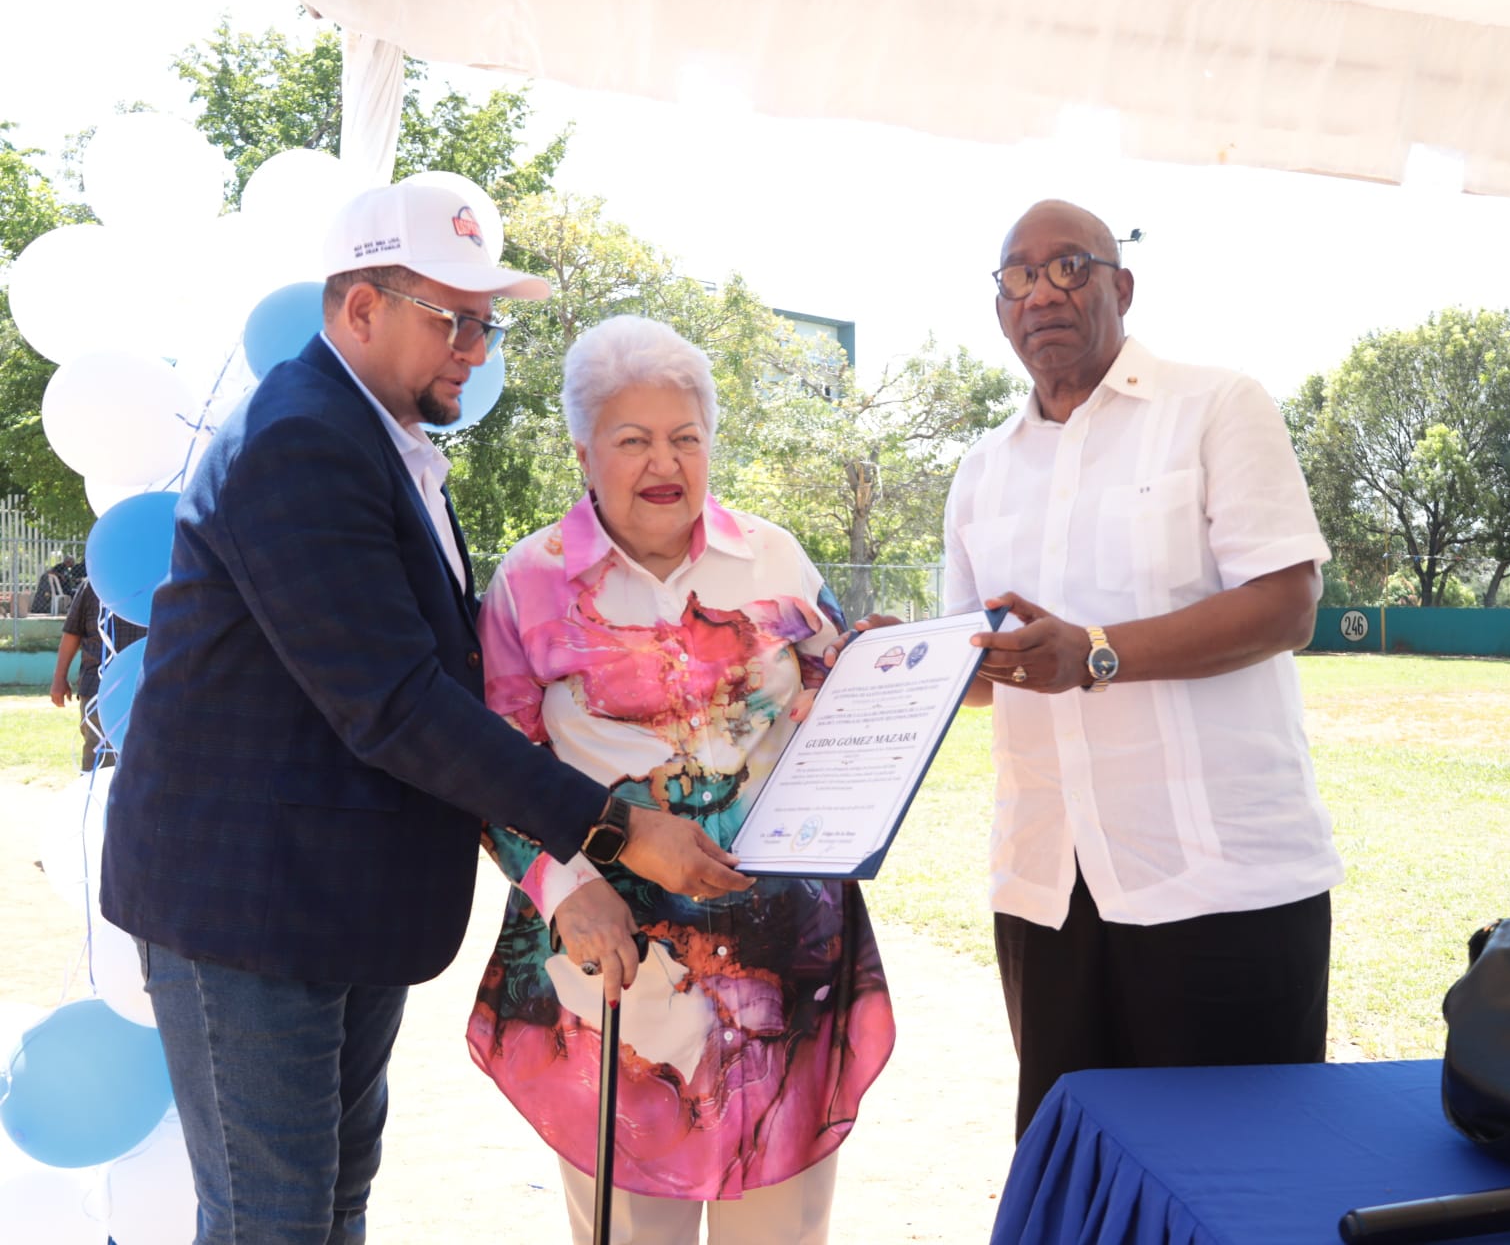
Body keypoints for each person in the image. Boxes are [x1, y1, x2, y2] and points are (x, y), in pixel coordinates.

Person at [99, 185, 751, 1245]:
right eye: (454, 318)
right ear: (360, 308)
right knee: (274, 1220)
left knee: (326, 1206)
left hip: (330, 905)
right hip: (251, 914)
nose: (477, 349)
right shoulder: (299, 442)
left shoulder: (379, 439)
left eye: (488, 321)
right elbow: (398, 702)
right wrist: (620, 827)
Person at [467, 315, 895, 1244]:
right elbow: (494, 767)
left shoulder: (771, 558)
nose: (664, 461)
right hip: (616, 965)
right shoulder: (529, 582)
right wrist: (566, 892)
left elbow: (833, 708)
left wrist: (887, 668)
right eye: (632, 440)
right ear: (584, 450)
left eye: (685, 437)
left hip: (784, 962)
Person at [942, 199, 1343, 1138]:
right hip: (1047, 888)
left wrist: (1095, 655)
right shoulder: (981, 470)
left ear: (1120, 286)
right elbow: (983, 666)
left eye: (1068, 267)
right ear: (997, 308)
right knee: (1080, 1179)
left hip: (1220, 883)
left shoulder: (1215, 406)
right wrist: (897, 665)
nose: (1040, 291)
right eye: (1015, 275)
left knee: (1233, 1181)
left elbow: (1286, 605)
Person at [49, 579, 147, 770]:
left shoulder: (160, 577)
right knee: (101, 764)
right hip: (99, 690)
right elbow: (72, 632)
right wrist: (59, 678)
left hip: (150, 688)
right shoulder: (95, 583)